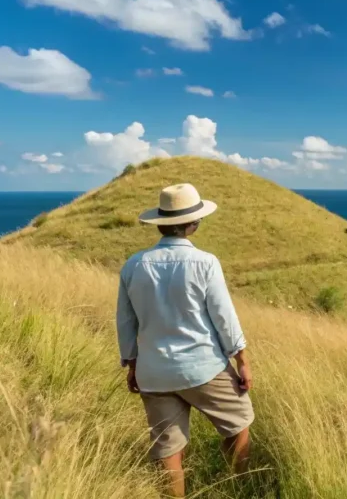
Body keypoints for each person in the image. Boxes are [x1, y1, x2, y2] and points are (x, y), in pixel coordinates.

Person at [116, 183, 254, 498]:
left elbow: (125, 321)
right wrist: (242, 361)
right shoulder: (205, 263)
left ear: (161, 223)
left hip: (153, 371)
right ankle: (237, 488)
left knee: (168, 448)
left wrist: (132, 364)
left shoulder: (134, 265)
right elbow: (224, 317)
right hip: (202, 367)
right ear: (193, 224)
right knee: (239, 421)